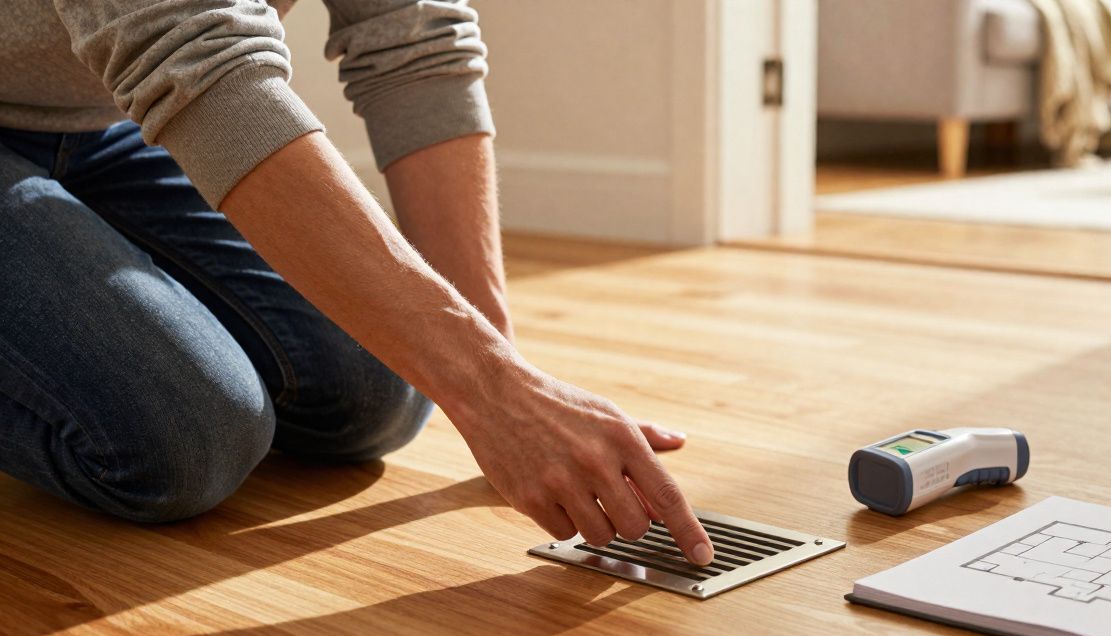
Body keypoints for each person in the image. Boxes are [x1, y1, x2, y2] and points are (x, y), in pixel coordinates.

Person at [0, 0, 715, 565]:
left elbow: (414, 40)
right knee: (186, 439)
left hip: (101, 125)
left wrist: (506, 376)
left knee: (377, 392)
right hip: (120, 85)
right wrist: (492, 390)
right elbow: (197, 55)